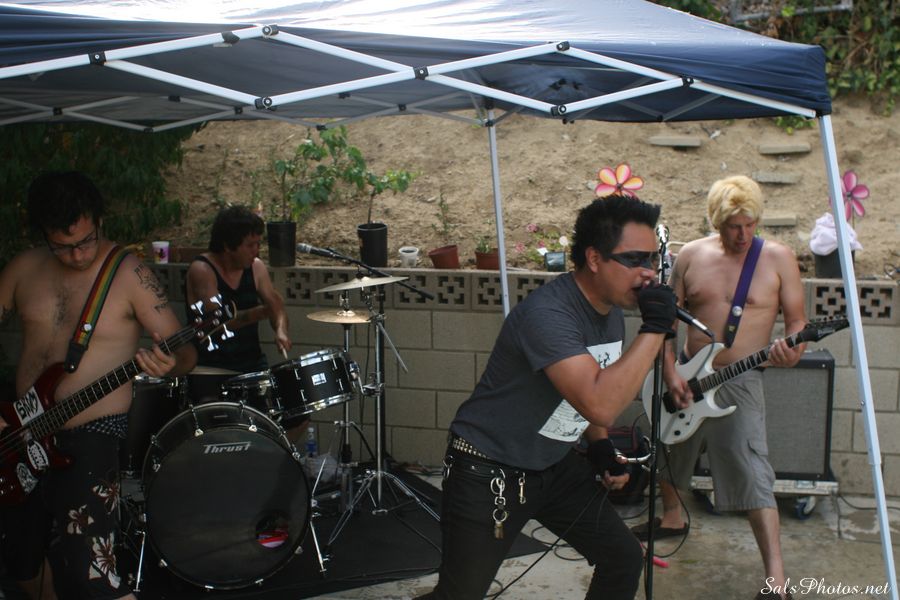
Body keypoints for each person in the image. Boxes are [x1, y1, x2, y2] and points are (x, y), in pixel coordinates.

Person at [417, 194, 678, 600]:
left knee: (624, 558)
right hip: (489, 468)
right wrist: (655, 329)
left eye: (653, 260)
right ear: (594, 258)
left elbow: (590, 386)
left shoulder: (610, 310)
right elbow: (601, 403)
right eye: (634, 260)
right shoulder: (549, 315)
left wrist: (600, 445)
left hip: (553, 464)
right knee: (460, 594)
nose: (648, 273)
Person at [0, 171, 198, 599]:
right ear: (43, 234)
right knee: (20, 560)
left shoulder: (128, 274)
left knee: (91, 569)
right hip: (19, 433)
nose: (76, 255)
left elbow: (185, 352)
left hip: (93, 434)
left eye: (85, 241)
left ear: (99, 221)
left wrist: (170, 364)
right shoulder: (23, 268)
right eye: (62, 245)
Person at [631, 175, 806, 600]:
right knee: (670, 447)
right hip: (687, 374)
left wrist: (793, 349)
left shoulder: (778, 258)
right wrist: (670, 371)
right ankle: (673, 516)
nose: (743, 235)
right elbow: (665, 323)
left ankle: (776, 580)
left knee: (752, 468)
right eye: (733, 226)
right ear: (716, 221)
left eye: (750, 224)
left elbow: (797, 321)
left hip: (740, 378)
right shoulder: (691, 256)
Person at [184, 205, 291, 401]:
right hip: (211, 368)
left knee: (288, 408)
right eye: (250, 245)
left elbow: (276, 305)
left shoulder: (256, 267)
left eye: (258, 244)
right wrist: (260, 312)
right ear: (228, 245)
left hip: (251, 363)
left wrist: (281, 330)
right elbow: (217, 323)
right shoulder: (202, 270)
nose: (256, 251)